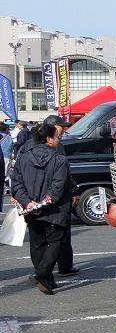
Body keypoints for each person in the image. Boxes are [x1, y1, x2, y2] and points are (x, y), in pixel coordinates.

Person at [9, 119, 73, 294]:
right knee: (56, 242)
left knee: (37, 244)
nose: (59, 139)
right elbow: (58, 187)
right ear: (49, 139)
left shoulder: (23, 157)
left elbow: (16, 184)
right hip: (54, 209)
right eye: (56, 137)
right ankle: (42, 274)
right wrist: (42, 203)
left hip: (32, 208)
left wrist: (29, 203)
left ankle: (47, 279)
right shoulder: (59, 159)